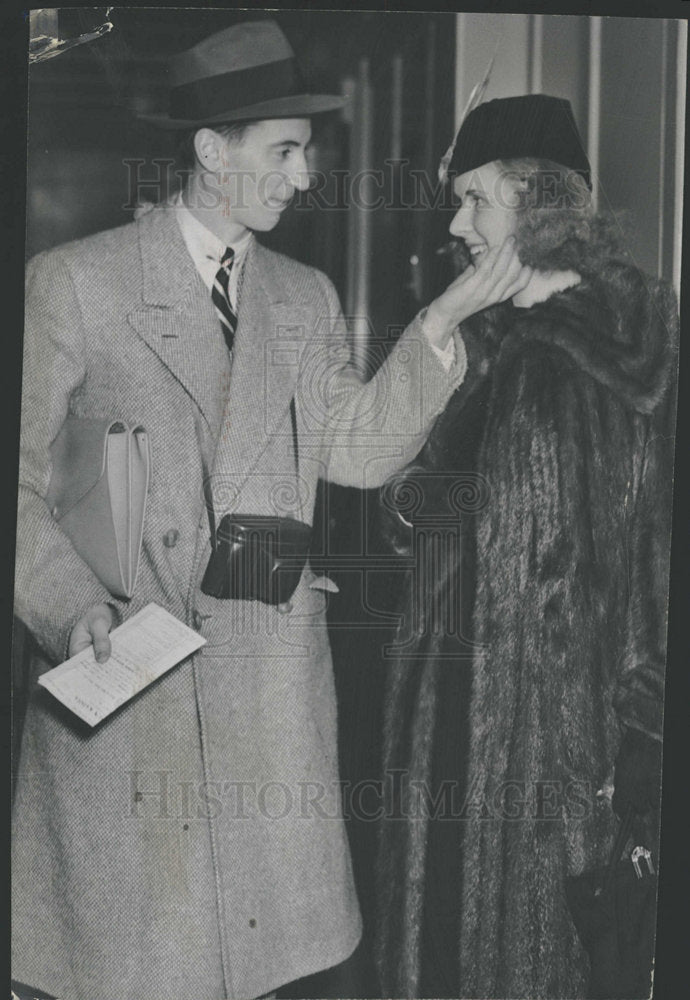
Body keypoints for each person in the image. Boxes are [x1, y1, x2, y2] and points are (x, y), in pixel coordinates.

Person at [11, 20, 534, 1000]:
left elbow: (361, 451)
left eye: (307, 151)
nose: (304, 176)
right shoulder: (77, 284)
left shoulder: (305, 295)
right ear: (212, 149)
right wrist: (75, 609)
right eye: (285, 150)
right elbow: (21, 494)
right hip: (128, 701)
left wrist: (439, 324)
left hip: (270, 712)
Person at [374, 95, 678, 998]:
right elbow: (403, 508)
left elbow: (653, 580)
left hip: (556, 778)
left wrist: (630, 774)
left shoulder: (618, 359)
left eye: (476, 200)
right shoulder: (488, 347)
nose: (458, 225)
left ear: (539, 204)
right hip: (447, 743)